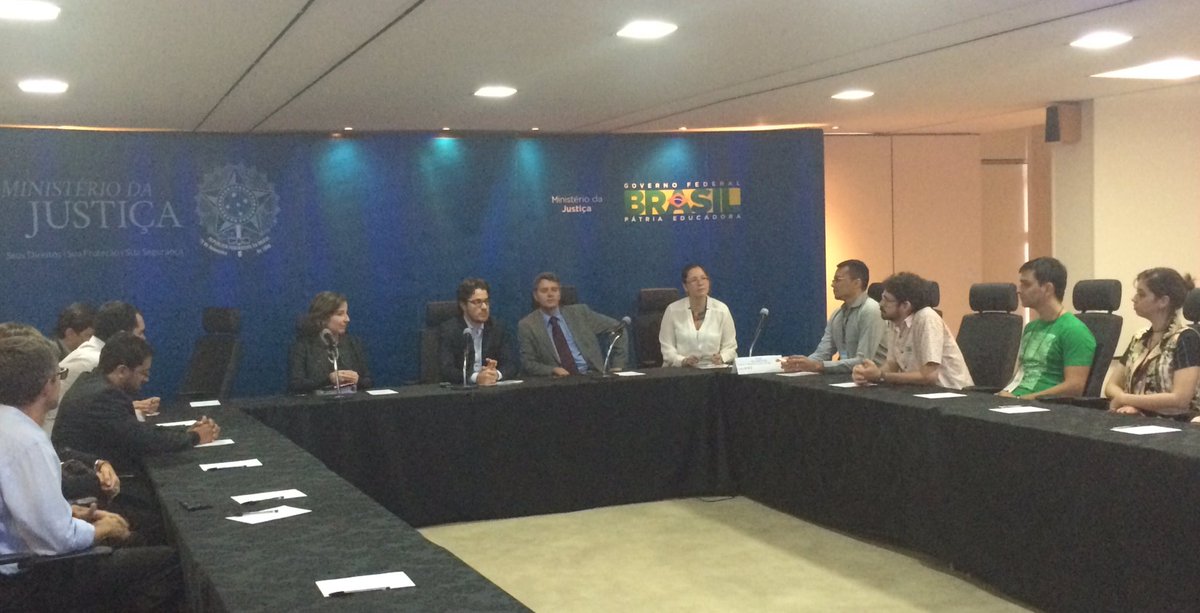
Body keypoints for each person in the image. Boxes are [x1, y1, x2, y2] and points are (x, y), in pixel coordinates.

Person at [0, 327, 182, 611]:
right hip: (27, 580)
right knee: (168, 562)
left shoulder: (9, 427)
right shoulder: (27, 442)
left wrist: (74, 513)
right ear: (48, 384)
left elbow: (20, 510)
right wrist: (103, 528)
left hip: (19, 562)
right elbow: (56, 540)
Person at [53, 332, 221, 476]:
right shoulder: (103, 397)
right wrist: (194, 437)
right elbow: (144, 440)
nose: (146, 379)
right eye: (143, 372)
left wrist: (185, 432)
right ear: (122, 371)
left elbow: (138, 431)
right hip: (100, 482)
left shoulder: (92, 381)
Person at [1104, 268, 1200, 419]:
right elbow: (1111, 386)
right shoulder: (1139, 337)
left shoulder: (1186, 338)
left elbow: (1180, 399)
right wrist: (1129, 402)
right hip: (1136, 416)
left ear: (1163, 301)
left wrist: (1126, 400)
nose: (1134, 299)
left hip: (1177, 423)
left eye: (1141, 294)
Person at [53, 301, 158, 437]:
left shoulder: (91, 355)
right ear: (122, 335)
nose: (143, 339)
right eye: (140, 333)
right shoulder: (97, 361)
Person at [852, 272, 974, 389]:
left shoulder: (927, 318)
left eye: (887, 300)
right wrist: (868, 374)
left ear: (905, 305)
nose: (880, 304)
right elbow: (892, 365)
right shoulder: (894, 321)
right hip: (920, 391)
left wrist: (881, 376)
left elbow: (929, 376)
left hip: (951, 392)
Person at [999, 257, 1097, 399]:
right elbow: (1021, 375)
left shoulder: (1075, 331)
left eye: (1026, 284)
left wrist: (1023, 399)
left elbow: (1075, 387)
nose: (1019, 291)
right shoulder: (1030, 328)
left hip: (1043, 406)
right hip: (1015, 400)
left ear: (1047, 289)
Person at [782, 259, 885, 373]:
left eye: (838, 280)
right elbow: (822, 353)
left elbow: (863, 361)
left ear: (857, 283)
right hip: (849, 377)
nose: (832, 284)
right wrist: (799, 364)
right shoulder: (837, 314)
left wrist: (818, 366)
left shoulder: (871, 310)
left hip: (875, 380)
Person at [517, 272, 628, 376]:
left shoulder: (580, 313)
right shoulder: (527, 325)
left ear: (559, 294)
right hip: (558, 381)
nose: (550, 294)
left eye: (554, 290)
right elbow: (528, 363)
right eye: (544, 291)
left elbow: (619, 328)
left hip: (592, 376)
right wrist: (552, 370)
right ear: (536, 296)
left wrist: (617, 366)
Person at [288, 291, 373, 393]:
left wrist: (358, 380)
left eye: (346, 313)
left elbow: (368, 381)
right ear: (323, 317)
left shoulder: (353, 343)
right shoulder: (303, 345)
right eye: (340, 314)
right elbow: (296, 385)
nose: (347, 319)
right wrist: (328, 380)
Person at [438, 278, 517, 385]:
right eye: (477, 302)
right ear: (463, 305)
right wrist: (476, 378)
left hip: (493, 390)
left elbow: (511, 364)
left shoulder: (497, 328)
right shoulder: (449, 330)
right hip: (461, 392)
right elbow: (447, 369)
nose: (484, 307)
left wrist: (495, 374)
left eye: (486, 301)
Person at [659, 264, 737, 367]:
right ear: (685, 286)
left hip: (714, 369)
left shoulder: (721, 310)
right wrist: (683, 360)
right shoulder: (673, 310)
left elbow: (730, 347)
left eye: (703, 278)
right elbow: (667, 349)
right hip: (681, 370)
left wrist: (722, 357)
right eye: (694, 280)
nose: (700, 283)